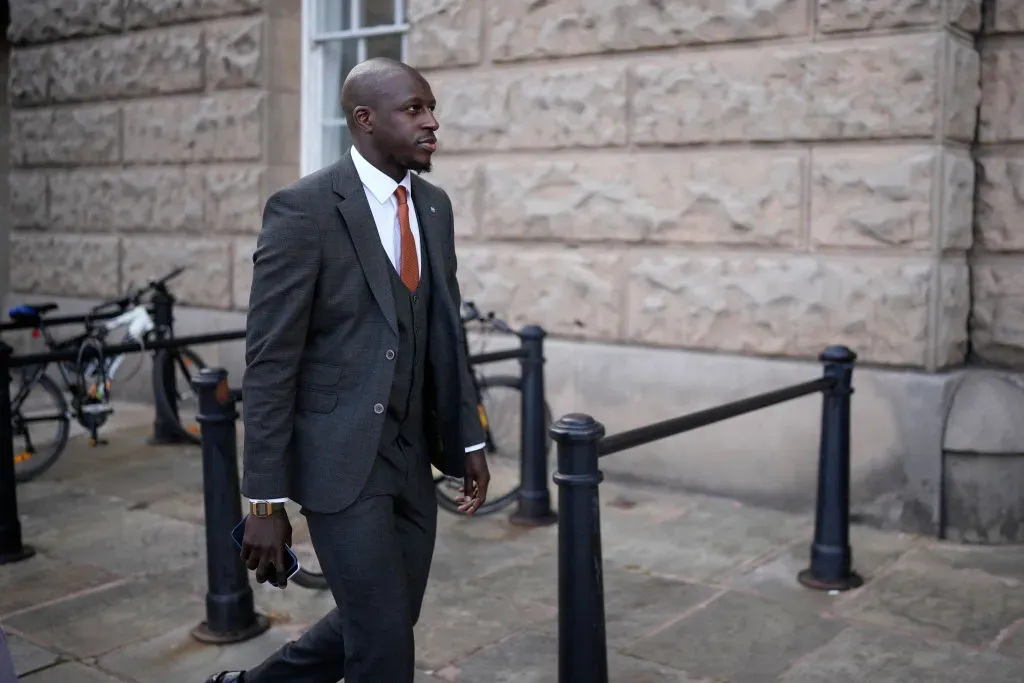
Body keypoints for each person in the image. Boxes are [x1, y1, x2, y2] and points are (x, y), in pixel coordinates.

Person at [206, 57, 490, 683]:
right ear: (365, 120)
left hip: (414, 458)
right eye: (414, 109)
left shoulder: (435, 208)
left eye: (431, 108)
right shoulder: (303, 210)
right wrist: (263, 500)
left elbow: (447, 331)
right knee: (384, 643)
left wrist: (467, 436)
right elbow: (271, 359)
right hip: (339, 463)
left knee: (387, 617)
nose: (432, 123)